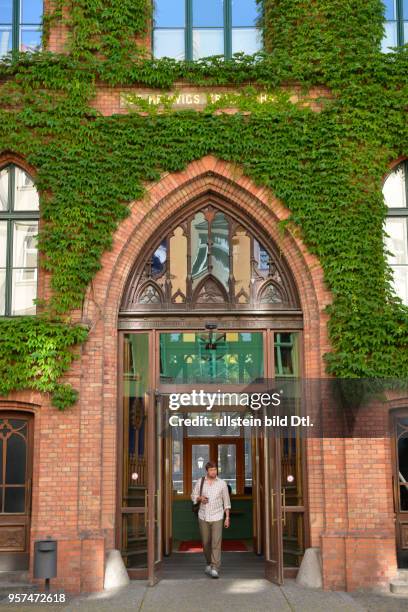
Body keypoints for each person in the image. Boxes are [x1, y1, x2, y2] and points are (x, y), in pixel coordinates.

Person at [191, 460, 231, 578]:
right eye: (211, 470)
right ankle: (208, 563)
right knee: (205, 542)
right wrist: (199, 498)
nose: (214, 472)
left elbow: (226, 502)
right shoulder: (200, 481)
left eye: (215, 469)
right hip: (203, 516)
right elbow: (193, 495)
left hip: (218, 516)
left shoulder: (222, 483)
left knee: (216, 542)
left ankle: (215, 567)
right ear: (207, 471)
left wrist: (227, 517)